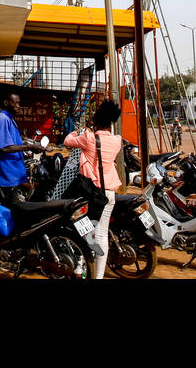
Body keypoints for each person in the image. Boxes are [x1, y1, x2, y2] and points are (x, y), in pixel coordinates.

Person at [64, 99, 122, 279]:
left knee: (83, 229)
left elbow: (67, 141)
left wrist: (78, 131)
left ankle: (79, 266)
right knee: (102, 233)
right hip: (109, 193)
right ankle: (97, 275)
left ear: (96, 121)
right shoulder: (117, 140)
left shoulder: (89, 138)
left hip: (90, 192)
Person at [0, 92, 44, 205]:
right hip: (6, 175)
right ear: (6, 103)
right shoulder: (2, 119)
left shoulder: (9, 119)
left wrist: (30, 146)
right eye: (16, 103)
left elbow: (13, 142)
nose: (19, 106)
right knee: (11, 210)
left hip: (12, 173)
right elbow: (5, 148)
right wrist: (29, 146)